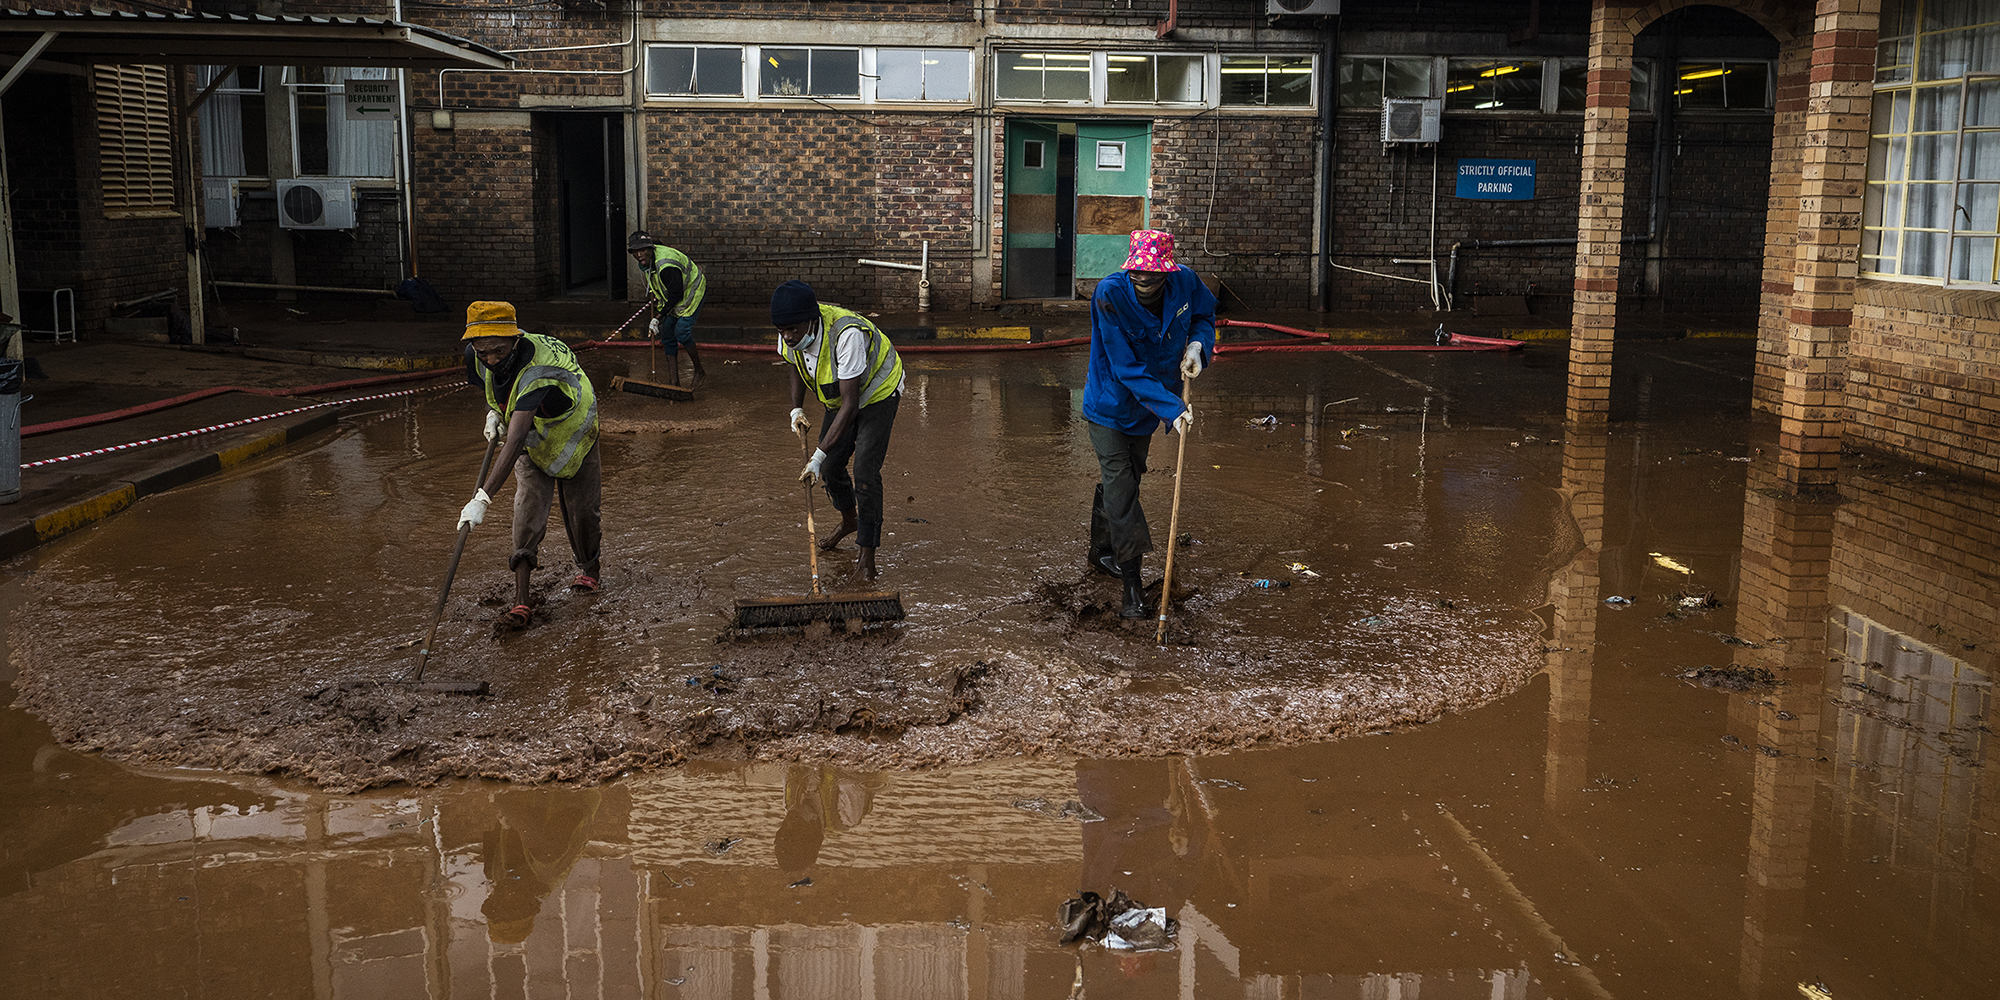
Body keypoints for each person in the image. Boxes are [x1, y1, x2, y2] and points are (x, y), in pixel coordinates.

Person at [1082, 230, 1216, 618]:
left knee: (1129, 478)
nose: (1143, 280)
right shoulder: (1110, 295)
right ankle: (1132, 588)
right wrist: (1172, 408)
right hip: (1110, 404)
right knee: (1123, 491)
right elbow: (1125, 367)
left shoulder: (1185, 281)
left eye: (1152, 275)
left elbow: (1205, 316)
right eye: (1137, 273)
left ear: (1167, 272)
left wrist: (1197, 347)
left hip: (1146, 411)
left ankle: (1100, 550)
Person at [456, 300, 603, 630]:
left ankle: (589, 570)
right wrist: (494, 411)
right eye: (483, 352)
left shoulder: (540, 366)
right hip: (532, 431)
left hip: (571, 429)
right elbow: (494, 390)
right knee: (527, 506)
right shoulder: (476, 357)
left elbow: (518, 434)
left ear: (515, 340)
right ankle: (521, 600)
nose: (491, 360)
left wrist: (482, 498)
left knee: (581, 509)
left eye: (498, 351)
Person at [772, 280, 905, 580]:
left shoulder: (846, 336)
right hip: (842, 397)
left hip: (878, 391)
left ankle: (867, 558)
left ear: (811, 319)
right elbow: (792, 362)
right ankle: (850, 520)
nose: (787, 336)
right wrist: (797, 408)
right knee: (832, 469)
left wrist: (816, 456)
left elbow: (851, 406)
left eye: (793, 330)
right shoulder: (787, 332)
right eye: (782, 331)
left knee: (866, 472)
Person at [627, 230, 708, 387]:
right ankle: (674, 382)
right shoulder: (648, 262)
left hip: (691, 292)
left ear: (651, 249)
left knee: (682, 332)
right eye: (636, 251)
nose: (639, 255)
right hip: (672, 297)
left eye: (643, 250)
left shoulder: (666, 266)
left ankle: (699, 370)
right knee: (667, 334)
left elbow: (676, 294)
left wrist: (657, 317)